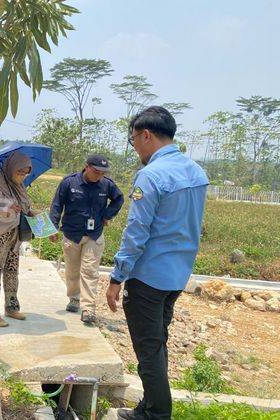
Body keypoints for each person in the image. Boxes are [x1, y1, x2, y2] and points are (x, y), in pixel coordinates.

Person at [106, 106, 209, 420]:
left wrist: (116, 276)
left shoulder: (151, 174)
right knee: (157, 343)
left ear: (146, 135)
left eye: (133, 140)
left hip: (148, 277)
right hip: (176, 276)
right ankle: (149, 405)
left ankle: (156, 414)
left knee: (149, 349)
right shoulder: (196, 171)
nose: (134, 146)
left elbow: (137, 231)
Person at [49, 155, 124, 325]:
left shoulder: (107, 184)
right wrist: (52, 227)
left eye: (102, 173)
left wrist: (107, 214)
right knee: (72, 270)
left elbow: (119, 199)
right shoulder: (69, 182)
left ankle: (88, 308)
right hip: (72, 233)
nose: (99, 176)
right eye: (96, 171)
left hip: (94, 235)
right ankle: (74, 298)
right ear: (87, 167)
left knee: (90, 271)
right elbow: (56, 205)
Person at [0, 151, 35, 327]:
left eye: (26, 173)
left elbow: (25, 207)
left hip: (14, 236)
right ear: (12, 167)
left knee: (12, 271)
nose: (23, 176)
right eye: (20, 172)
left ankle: (11, 306)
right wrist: (5, 208)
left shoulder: (18, 185)